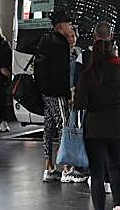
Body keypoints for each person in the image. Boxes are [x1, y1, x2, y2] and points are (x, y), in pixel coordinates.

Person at [74, 38, 120, 210]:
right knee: (115, 167)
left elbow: (80, 104)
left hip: (95, 128)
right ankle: (118, 209)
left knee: (97, 172)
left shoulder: (88, 75)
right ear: (114, 52)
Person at [35, 10, 84, 183]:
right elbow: (61, 73)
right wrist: (67, 94)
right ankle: (67, 168)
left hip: (45, 91)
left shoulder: (45, 40)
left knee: (48, 127)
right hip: (56, 92)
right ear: (60, 26)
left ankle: (49, 167)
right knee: (64, 126)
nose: (70, 27)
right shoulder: (60, 43)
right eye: (68, 24)